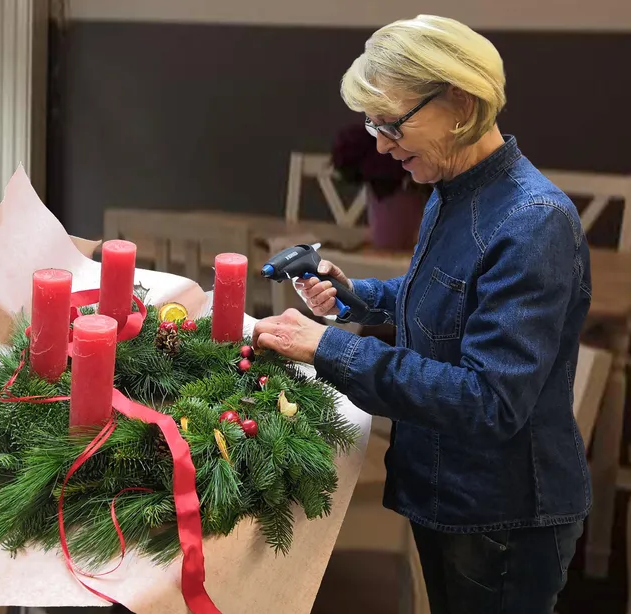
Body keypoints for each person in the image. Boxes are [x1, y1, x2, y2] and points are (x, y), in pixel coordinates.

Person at [252, 15, 591, 614]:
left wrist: (328, 347)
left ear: (459, 103)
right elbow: (449, 293)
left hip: (501, 517)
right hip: (446, 493)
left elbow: (491, 401)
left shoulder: (534, 222)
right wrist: (359, 294)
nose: (381, 144)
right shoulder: (454, 190)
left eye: (392, 123)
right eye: (371, 123)